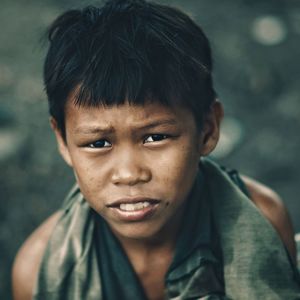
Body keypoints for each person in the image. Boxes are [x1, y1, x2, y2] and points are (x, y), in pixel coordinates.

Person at [12, 0, 300, 299]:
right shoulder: (41, 272)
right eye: (98, 143)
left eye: (155, 137)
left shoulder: (262, 222)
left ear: (208, 129)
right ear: (63, 142)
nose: (129, 173)